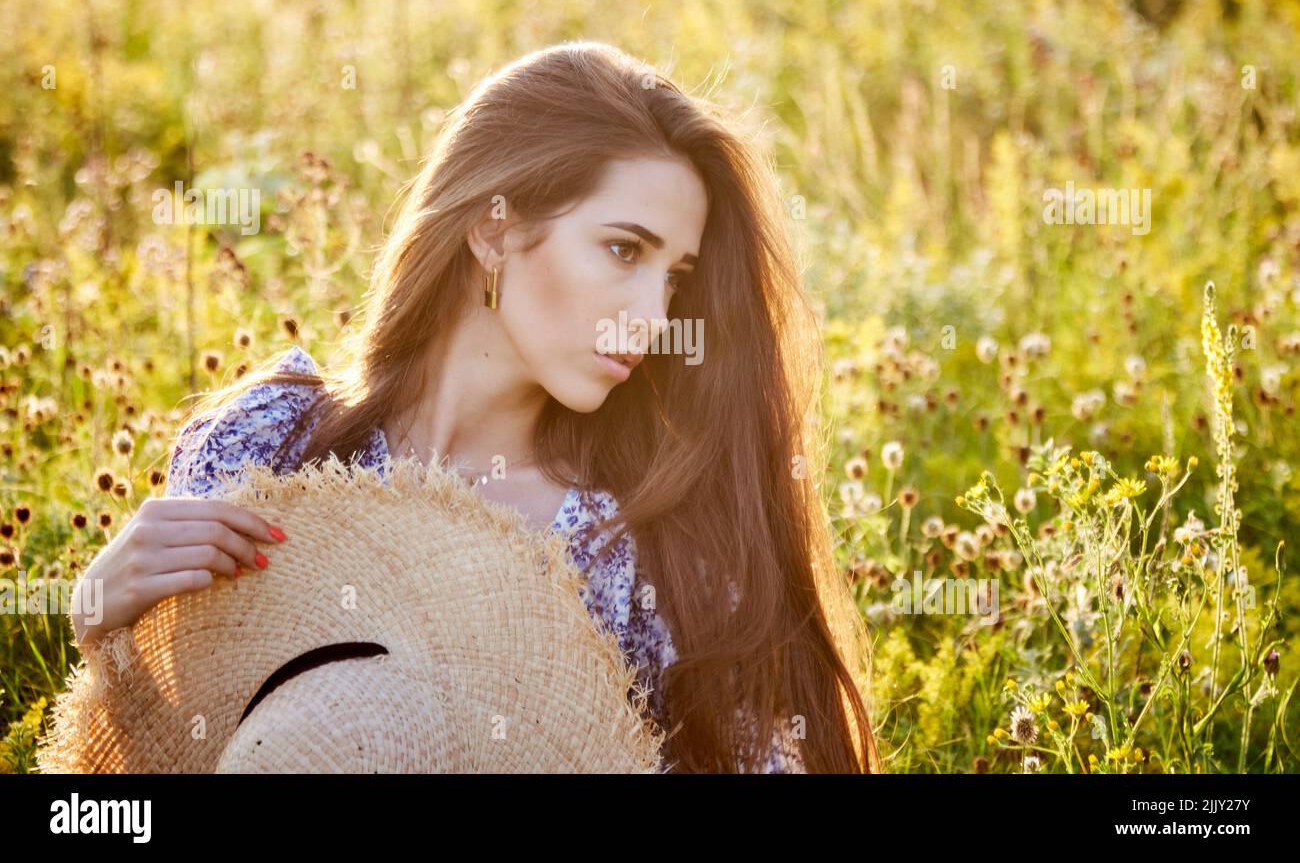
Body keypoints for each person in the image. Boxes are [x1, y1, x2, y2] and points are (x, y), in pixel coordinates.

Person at [72, 40, 879, 774]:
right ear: (493, 232)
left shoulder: (639, 545)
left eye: (673, 276)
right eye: (623, 250)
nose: (655, 317)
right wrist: (96, 620)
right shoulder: (266, 445)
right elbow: (178, 749)